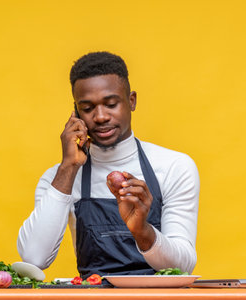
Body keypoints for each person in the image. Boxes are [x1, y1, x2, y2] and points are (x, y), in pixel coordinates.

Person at [17, 51, 199, 279]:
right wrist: (68, 167)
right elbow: (34, 259)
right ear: (75, 112)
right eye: (88, 108)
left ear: (131, 101)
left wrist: (143, 232)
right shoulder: (60, 177)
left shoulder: (174, 167)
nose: (101, 116)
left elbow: (183, 266)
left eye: (111, 104)